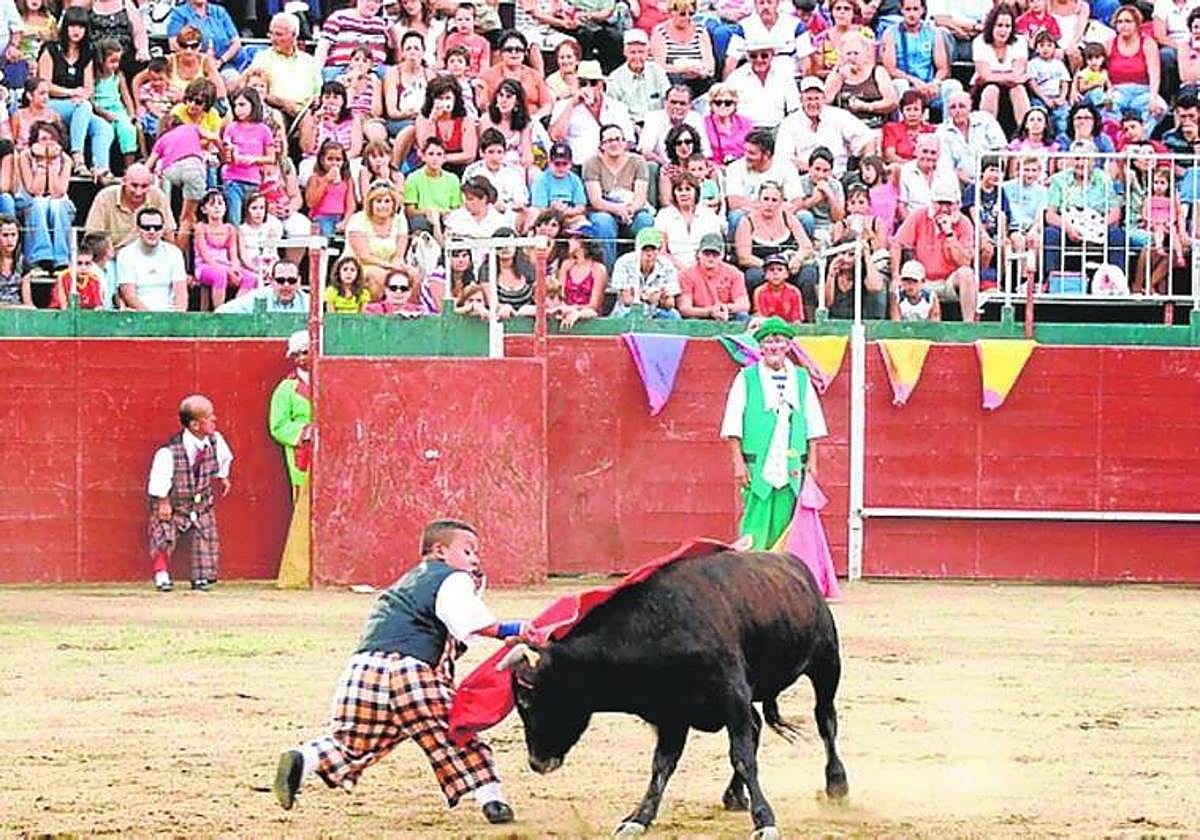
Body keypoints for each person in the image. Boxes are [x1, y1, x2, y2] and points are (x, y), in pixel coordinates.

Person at [272, 518, 523, 826]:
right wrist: (510, 629)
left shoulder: (406, 584)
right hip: (410, 671)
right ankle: (492, 799)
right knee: (457, 732)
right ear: (440, 550)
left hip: (362, 670)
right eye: (468, 550)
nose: (475, 558)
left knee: (354, 739)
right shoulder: (453, 580)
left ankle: (304, 758)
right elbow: (470, 619)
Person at [720, 316, 827, 551]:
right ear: (760, 347)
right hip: (757, 465)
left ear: (788, 346)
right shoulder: (746, 377)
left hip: (792, 467)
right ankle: (748, 578)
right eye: (768, 342)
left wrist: (812, 460)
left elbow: (812, 423)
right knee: (753, 526)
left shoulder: (800, 378)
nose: (774, 347)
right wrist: (738, 462)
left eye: (779, 341)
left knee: (787, 527)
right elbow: (733, 424)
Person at [147, 394, 233, 592]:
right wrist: (163, 501)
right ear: (194, 425)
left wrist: (223, 477)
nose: (214, 419)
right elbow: (160, 478)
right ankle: (161, 574)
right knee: (163, 533)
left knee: (206, 535)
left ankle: (202, 576)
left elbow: (224, 460)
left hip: (201, 502)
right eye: (208, 417)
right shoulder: (169, 451)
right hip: (176, 504)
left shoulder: (215, 440)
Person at [890, 181, 979, 321]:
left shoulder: (964, 223)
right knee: (905, 274)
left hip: (949, 281)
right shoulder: (919, 216)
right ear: (932, 202)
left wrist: (949, 233)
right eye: (940, 203)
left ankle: (968, 325)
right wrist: (895, 277)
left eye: (948, 204)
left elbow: (965, 262)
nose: (944, 209)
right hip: (921, 280)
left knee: (966, 274)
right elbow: (897, 244)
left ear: (956, 205)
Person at [270, 330, 314, 589]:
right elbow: (277, 426)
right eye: (296, 354)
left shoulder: (329, 379)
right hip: (301, 455)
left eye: (305, 352)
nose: (301, 358)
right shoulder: (286, 388)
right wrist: (305, 432)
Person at [116, 208, 189, 311]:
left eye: (157, 227)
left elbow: (181, 293)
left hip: (170, 314)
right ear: (137, 228)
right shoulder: (126, 254)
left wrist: (178, 317)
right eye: (146, 228)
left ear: (163, 228)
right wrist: (151, 318)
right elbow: (129, 296)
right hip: (138, 315)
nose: (152, 231)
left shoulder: (174, 253)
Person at [608, 227, 681, 318]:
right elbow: (626, 300)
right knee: (626, 314)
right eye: (645, 249)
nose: (649, 254)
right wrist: (645, 298)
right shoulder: (623, 262)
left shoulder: (667, 265)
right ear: (637, 249)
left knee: (674, 316)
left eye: (653, 249)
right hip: (628, 310)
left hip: (656, 310)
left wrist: (661, 300)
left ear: (658, 249)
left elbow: (670, 304)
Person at [677, 232, 751, 320]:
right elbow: (685, 308)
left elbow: (744, 304)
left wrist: (725, 308)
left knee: (742, 316)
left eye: (715, 254)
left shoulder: (734, 273)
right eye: (706, 254)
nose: (711, 258)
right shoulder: (686, 274)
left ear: (722, 255)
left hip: (727, 314)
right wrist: (710, 312)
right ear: (699, 254)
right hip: (699, 316)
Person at [215, 258, 311, 312]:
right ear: (271, 281)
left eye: (292, 280)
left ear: (299, 281)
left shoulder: (308, 302)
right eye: (280, 280)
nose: (286, 285)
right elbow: (221, 311)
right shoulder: (258, 297)